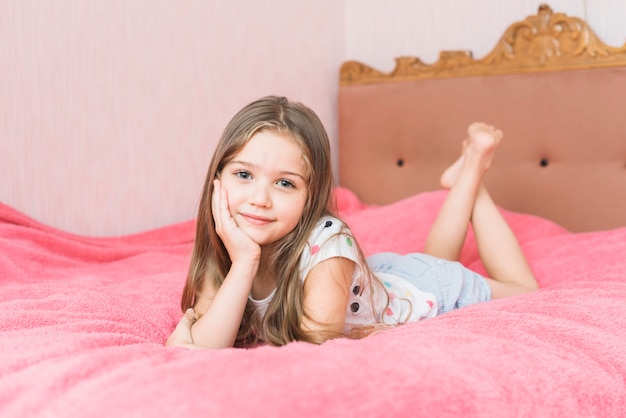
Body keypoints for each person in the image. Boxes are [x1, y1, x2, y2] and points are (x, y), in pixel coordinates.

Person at [165, 95, 538, 349]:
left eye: (284, 183)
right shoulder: (226, 247)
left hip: (421, 291)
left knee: (522, 290)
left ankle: (473, 176)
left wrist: (194, 338)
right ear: (217, 180)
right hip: (385, 280)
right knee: (432, 258)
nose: (260, 199)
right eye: (244, 175)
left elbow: (312, 350)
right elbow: (207, 346)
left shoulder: (329, 245)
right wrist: (244, 260)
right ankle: (463, 182)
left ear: (311, 196)